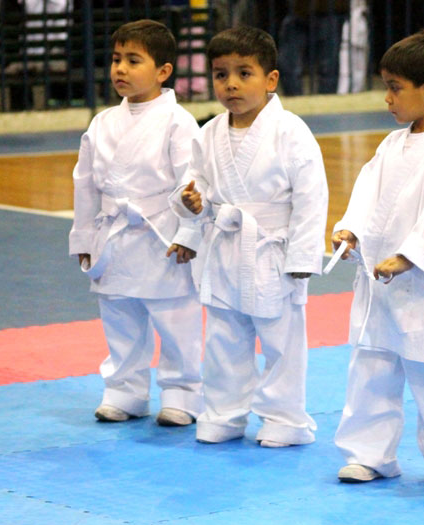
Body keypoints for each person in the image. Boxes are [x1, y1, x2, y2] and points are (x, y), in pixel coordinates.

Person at [331, 30, 424, 485]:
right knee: (371, 367)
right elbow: (367, 193)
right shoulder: (390, 146)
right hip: (378, 281)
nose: (387, 99)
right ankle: (369, 453)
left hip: (421, 282)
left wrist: (412, 255)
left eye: (395, 87)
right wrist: (351, 229)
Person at [168, 26, 328, 447]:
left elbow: (312, 197)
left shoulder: (292, 132)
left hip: (273, 249)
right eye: (221, 75)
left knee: (282, 339)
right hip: (223, 247)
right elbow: (195, 186)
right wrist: (191, 208)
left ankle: (284, 420)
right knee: (223, 336)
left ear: (271, 80)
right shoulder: (208, 134)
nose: (231, 84)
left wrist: (303, 257)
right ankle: (223, 414)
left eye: (244, 73)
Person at [68, 19, 204, 427]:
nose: (120, 69)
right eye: (115, 60)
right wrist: (84, 237)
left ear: (163, 72)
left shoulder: (178, 121)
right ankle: (125, 390)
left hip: (160, 233)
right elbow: (85, 184)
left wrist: (189, 233)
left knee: (175, 317)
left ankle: (183, 393)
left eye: (133, 60)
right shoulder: (103, 122)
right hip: (113, 233)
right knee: (119, 314)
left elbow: (192, 182)